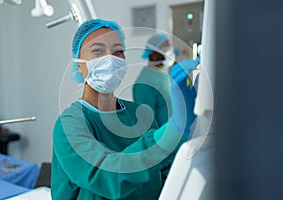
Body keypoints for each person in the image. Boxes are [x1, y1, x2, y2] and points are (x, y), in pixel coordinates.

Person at [51, 18, 199, 200]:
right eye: (98, 50)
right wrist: (172, 130)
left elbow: (164, 174)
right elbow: (108, 176)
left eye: (118, 52)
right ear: (78, 64)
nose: (110, 59)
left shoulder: (140, 114)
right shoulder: (70, 126)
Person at [133, 34, 173, 128]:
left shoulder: (163, 76)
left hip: (175, 136)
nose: (169, 52)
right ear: (153, 52)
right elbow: (146, 123)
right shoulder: (144, 84)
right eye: (166, 49)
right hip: (163, 140)